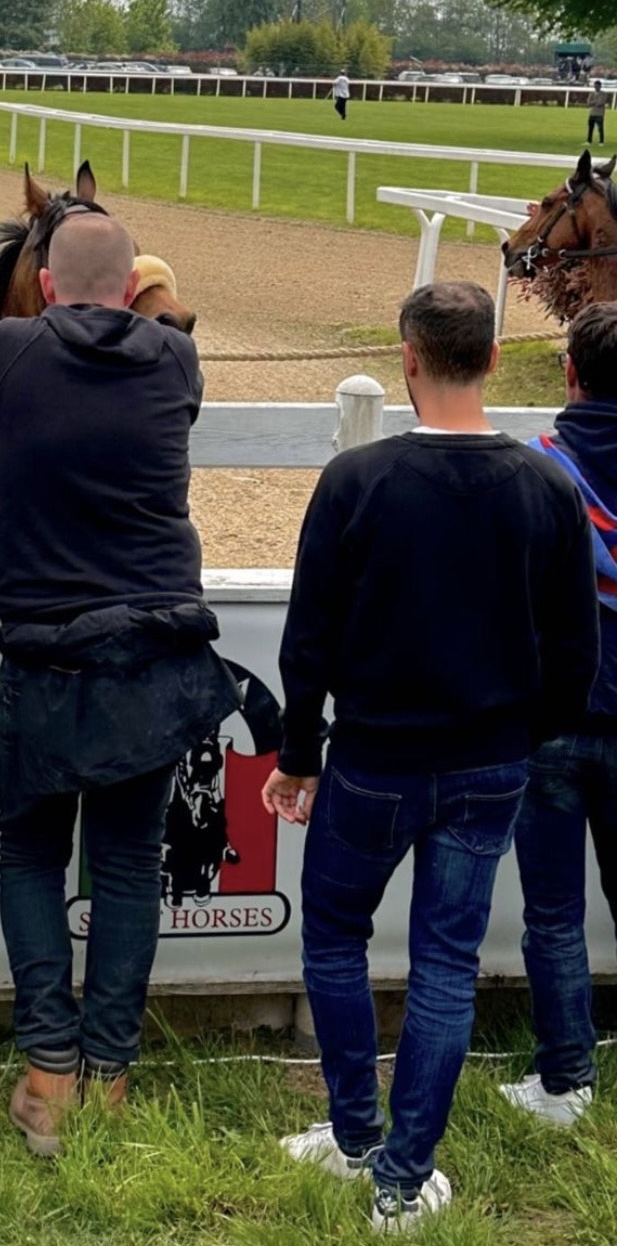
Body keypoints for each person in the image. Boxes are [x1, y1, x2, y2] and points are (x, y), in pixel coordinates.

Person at [262, 280, 599, 1234]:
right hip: (490, 762)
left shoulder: (358, 481)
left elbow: (308, 639)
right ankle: (400, 1179)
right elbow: (574, 649)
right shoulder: (545, 486)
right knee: (444, 961)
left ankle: (361, 1137)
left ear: (408, 358)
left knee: (334, 937)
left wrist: (296, 752)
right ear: (491, 358)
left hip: (373, 759)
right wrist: (524, 738)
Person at [0, 212, 237, 1154]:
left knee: (31, 857)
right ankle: (112, 1074)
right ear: (131, 286)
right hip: (151, 655)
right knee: (129, 867)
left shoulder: (6, 348)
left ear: (45, 285)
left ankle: (47, 1071)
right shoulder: (175, 363)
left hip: (44, 654)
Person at [500, 302, 617, 1126]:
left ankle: (566, 1081)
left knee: (553, 911)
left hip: (549, 721)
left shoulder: (536, 469)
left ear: (569, 373)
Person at [587, 78, 607, 147]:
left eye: (597, 86)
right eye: (595, 86)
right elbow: (588, 103)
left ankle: (601, 141)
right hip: (592, 113)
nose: (596, 87)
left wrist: (594, 102)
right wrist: (596, 101)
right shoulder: (591, 93)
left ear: (600, 86)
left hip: (599, 114)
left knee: (600, 128)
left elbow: (601, 103)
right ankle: (589, 141)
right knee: (590, 128)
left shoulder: (603, 94)